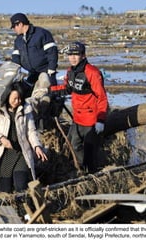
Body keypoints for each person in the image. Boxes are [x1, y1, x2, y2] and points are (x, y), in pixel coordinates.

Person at [50, 41, 109, 173]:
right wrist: (50, 90)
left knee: (90, 152)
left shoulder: (92, 73)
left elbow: (102, 98)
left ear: (83, 55)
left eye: (76, 54)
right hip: (77, 118)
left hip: (91, 120)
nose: (72, 57)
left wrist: (100, 120)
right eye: (70, 54)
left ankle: (91, 175)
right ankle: (80, 170)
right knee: (74, 145)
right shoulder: (71, 71)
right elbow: (67, 88)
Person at [0, 81, 48, 193]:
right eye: (15, 98)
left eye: (20, 98)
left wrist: (36, 146)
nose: (18, 101)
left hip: (20, 151)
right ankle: (6, 209)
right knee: (5, 190)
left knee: (21, 186)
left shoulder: (25, 109)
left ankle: (24, 209)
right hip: (2, 153)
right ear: (7, 96)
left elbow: (31, 131)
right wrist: (1, 138)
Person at [10, 13, 59, 130]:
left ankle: (44, 125)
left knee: (45, 98)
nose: (13, 29)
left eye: (14, 26)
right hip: (32, 73)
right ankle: (27, 122)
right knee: (24, 93)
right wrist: (13, 71)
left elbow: (52, 52)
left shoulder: (41, 34)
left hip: (46, 72)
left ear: (20, 24)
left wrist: (51, 70)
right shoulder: (18, 40)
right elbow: (16, 57)